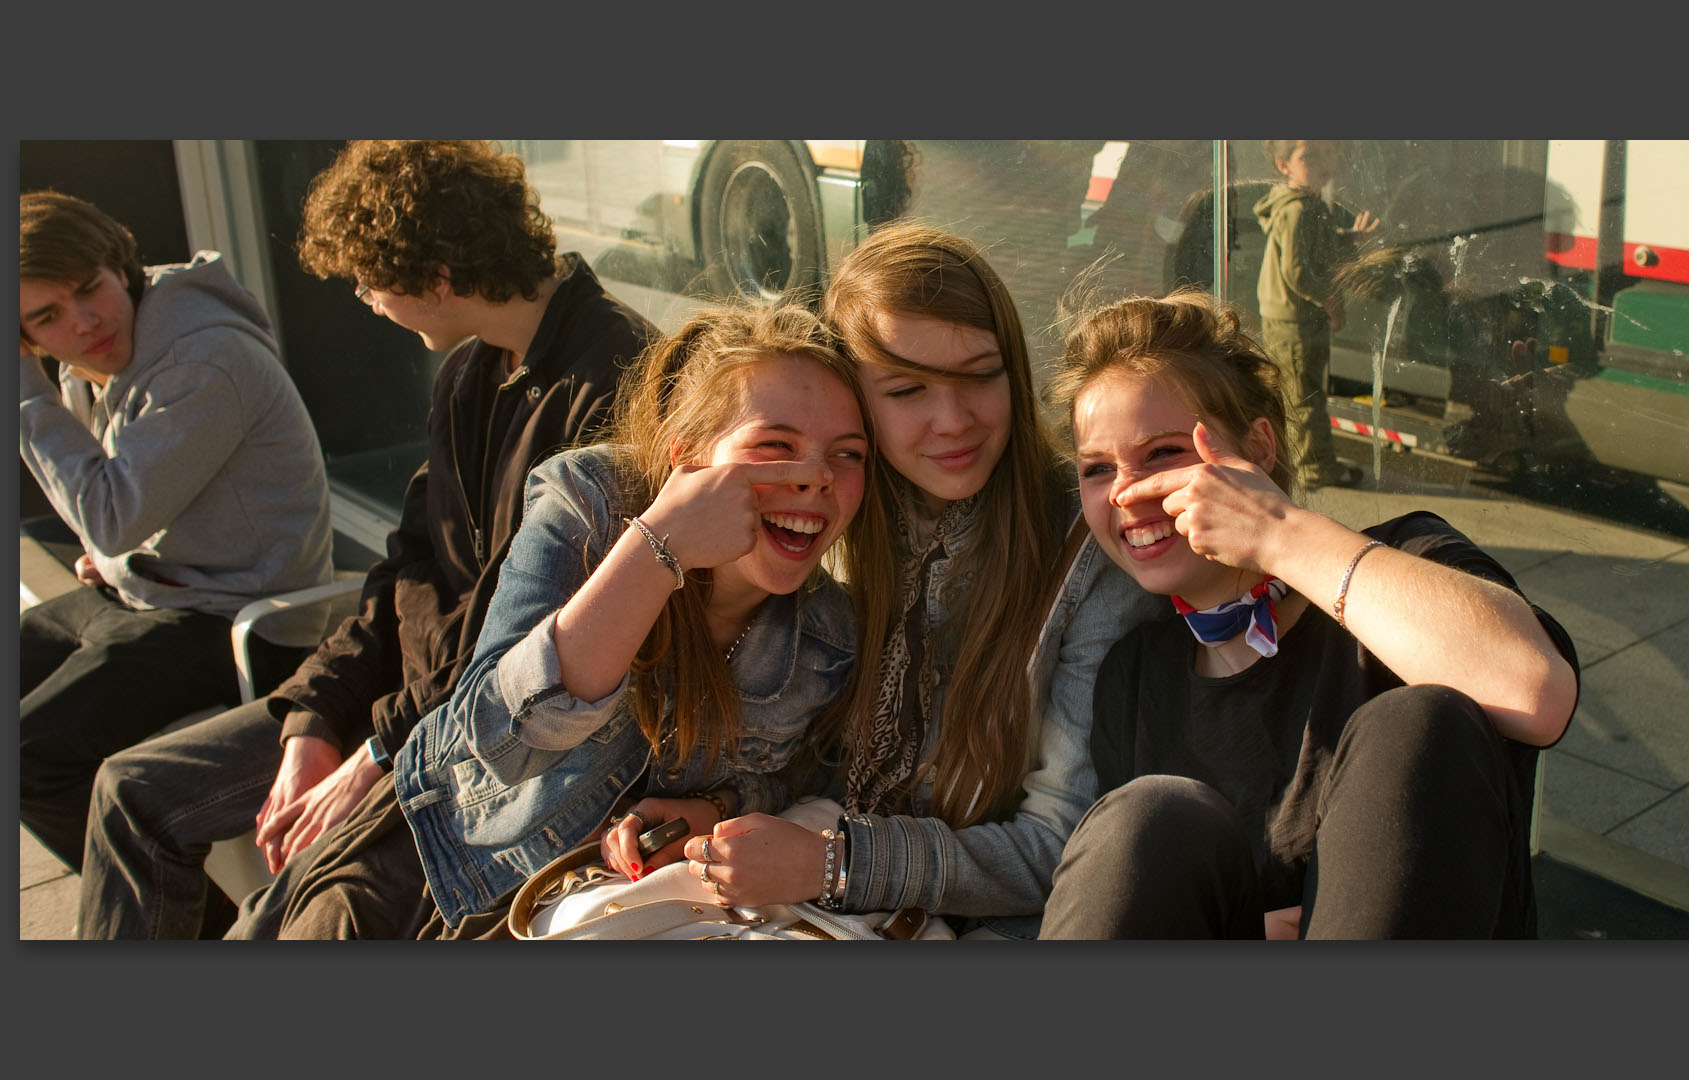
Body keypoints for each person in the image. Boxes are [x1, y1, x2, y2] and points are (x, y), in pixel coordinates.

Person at [77, 140, 657, 938]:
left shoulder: (616, 382)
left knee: (291, 920)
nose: (365, 301)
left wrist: (376, 754)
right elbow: (406, 569)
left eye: (369, 281)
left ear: (437, 279)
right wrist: (316, 717)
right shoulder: (469, 373)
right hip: (394, 710)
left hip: (483, 742)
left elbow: (526, 644)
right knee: (129, 792)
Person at [237, 304, 871, 938]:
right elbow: (494, 743)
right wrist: (659, 549)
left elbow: (803, 775)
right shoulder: (590, 502)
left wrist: (714, 808)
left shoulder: (827, 633)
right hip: (437, 869)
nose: (816, 479)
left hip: (587, 912)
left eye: (847, 455)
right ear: (687, 461)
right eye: (775, 446)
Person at [669, 223, 1163, 939]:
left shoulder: (1091, 552)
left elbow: (1067, 848)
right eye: (907, 390)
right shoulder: (835, 519)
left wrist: (838, 865)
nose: (953, 420)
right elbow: (828, 766)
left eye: (980, 375)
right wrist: (722, 810)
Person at [1038, 290, 1580, 939]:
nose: (1127, 494)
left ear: (1259, 448)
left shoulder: (1405, 563)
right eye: (1098, 469)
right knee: (1146, 818)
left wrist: (1279, 533)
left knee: (1418, 720)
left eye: (1163, 454)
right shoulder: (1134, 674)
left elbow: (1535, 690)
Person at [19, 191, 333, 872]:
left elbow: (112, 512)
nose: (86, 320)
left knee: (27, 756)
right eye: (48, 316)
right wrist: (114, 554)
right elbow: (121, 519)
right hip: (153, 590)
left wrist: (23, 393)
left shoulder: (201, 358)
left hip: (236, 617)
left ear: (117, 263)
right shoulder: (117, 355)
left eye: (89, 289)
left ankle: (175, 927)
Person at [1253, 139, 1379, 490]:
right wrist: (1330, 300)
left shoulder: (1307, 205)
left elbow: (1314, 244)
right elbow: (1297, 270)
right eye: (1308, 157)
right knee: (1304, 397)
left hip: (1297, 318)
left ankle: (1318, 462)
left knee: (1307, 392)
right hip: (1295, 321)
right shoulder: (1297, 209)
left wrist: (1347, 238)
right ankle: (1313, 469)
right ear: (1283, 165)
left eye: (1327, 154)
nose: (1322, 164)